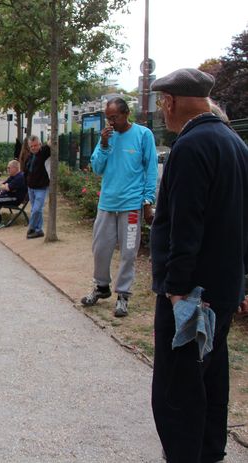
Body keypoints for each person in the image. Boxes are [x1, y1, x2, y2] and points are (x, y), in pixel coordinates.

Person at [150, 68, 248, 463]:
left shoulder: (191, 147)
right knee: (210, 375)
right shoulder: (235, 144)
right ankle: (210, 454)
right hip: (222, 290)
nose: (161, 111)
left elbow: (185, 226)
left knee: (178, 389)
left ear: (171, 102)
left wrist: (176, 288)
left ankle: (187, 458)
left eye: (161, 103)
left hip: (192, 295)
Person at [80, 97, 158, 318]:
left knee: (128, 252)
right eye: (108, 118)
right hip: (107, 204)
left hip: (131, 205)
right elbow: (96, 168)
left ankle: (123, 294)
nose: (110, 122)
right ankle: (101, 287)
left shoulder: (143, 135)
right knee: (100, 248)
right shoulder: (106, 137)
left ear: (125, 114)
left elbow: (151, 170)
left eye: (114, 117)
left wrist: (147, 202)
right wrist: (103, 145)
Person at [19, 135, 50, 239]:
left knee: (36, 209)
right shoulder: (29, 156)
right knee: (36, 210)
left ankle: (31, 227)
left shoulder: (43, 153)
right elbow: (26, 172)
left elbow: (51, 143)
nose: (33, 148)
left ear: (40, 144)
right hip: (30, 187)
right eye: (31, 146)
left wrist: (51, 138)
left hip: (41, 187)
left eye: (35, 145)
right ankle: (38, 230)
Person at [0, 159, 27, 229]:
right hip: (9, 195)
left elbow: (8, 188)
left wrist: (6, 186)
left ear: (15, 168)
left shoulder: (20, 177)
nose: (7, 169)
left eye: (9, 168)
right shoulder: (12, 176)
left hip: (15, 199)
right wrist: (5, 186)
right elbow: (3, 185)